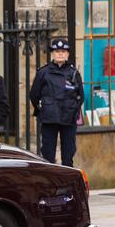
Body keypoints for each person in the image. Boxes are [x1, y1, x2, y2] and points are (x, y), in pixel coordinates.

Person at [30, 38, 84, 167]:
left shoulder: (74, 73)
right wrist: (43, 109)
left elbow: (80, 96)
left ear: (68, 54)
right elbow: (34, 95)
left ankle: (67, 184)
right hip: (49, 119)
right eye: (57, 51)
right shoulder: (43, 72)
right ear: (52, 53)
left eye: (63, 51)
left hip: (68, 119)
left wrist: (72, 109)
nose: (60, 53)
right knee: (48, 155)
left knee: (68, 155)